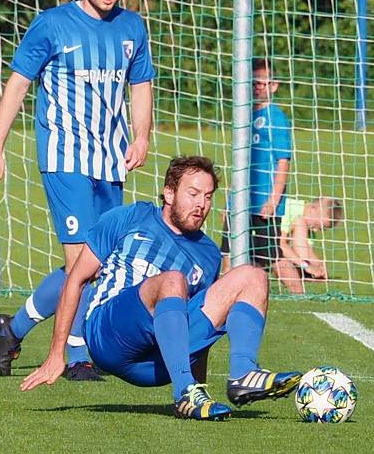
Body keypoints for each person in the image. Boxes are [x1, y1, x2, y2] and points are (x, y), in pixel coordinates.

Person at [0, 0, 155, 380]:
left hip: (112, 161)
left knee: (100, 260)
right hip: (65, 159)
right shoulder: (52, 26)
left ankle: (14, 327)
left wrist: (141, 136)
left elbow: (140, 85)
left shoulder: (132, 28)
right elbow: (18, 85)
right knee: (82, 258)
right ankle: (76, 354)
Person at [21, 156, 301, 421]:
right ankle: (184, 393)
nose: (201, 204)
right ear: (169, 193)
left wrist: (200, 385)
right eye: (193, 194)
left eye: (207, 196)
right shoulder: (130, 217)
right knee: (173, 279)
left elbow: (199, 320)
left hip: (159, 360)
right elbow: (75, 279)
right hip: (108, 334)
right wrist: (57, 353)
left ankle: (241, 373)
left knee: (253, 276)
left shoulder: (208, 254)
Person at [222, 57, 292, 273]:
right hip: (241, 200)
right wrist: (230, 200)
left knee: (271, 259)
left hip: (264, 202)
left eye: (263, 83)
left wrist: (273, 201)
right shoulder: (244, 116)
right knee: (228, 253)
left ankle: (301, 296)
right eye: (254, 83)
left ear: (275, 85)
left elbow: (283, 162)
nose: (258, 88)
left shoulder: (276, 118)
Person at [272, 196, 344, 294]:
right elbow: (279, 245)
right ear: (313, 209)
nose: (315, 230)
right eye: (317, 226)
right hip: (258, 243)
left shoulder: (305, 222)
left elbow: (305, 252)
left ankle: (298, 294)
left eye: (321, 229)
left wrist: (320, 266)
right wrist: (306, 266)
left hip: (273, 251)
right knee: (287, 266)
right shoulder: (290, 208)